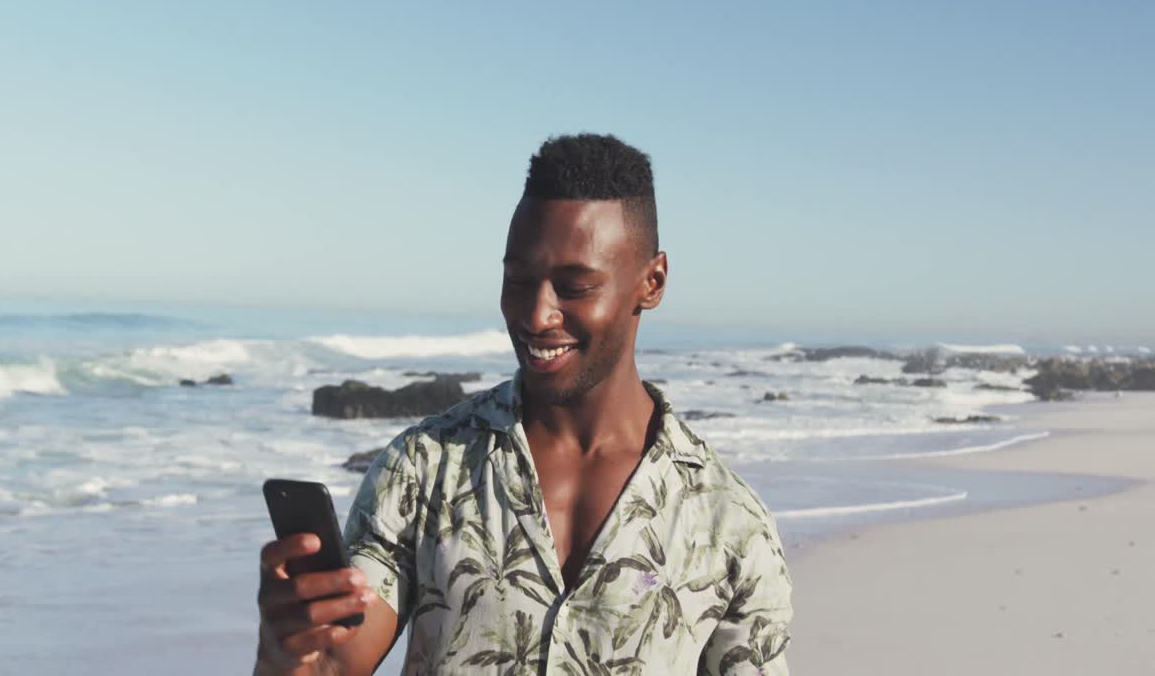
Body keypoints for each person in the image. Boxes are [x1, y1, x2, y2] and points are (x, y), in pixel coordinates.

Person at [256, 134, 793, 675]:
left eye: (575, 287)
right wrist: (285, 653)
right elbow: (331, 662)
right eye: (518, 280)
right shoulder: (423, 470)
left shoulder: (730, 524)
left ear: (651, 282)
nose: (537, 315)